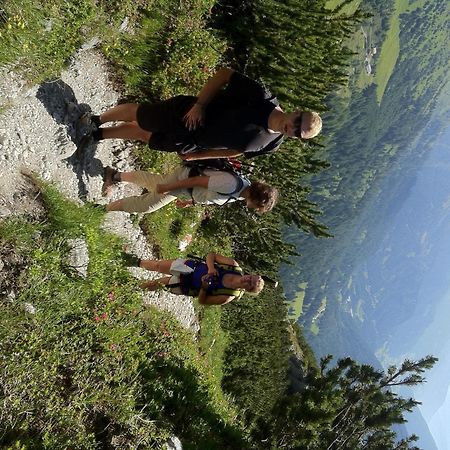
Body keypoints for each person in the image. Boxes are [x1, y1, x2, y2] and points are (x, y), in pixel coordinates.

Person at [84, 68, 322, 160]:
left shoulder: (273, 143)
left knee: (147, 136)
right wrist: (199, 105)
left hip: (191, 141)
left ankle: (99, 135)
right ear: (297, 111)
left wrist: (198, 156)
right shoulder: (261, 97)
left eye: (299, 133)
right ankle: (95, 120)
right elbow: (224, 75)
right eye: (298, 121)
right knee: (142, 115)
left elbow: (238, 150)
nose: (293, 128)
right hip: (187, 113)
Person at [101, 164, 278, 214]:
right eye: (258, 207)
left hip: (186, 189)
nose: (256, 209)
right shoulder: (232, 185)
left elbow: (211, 195)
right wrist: (170, 187)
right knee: (146, 206)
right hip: (183, 180)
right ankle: (105, 209)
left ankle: (115, 176)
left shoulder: (241, 192)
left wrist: (190, 202)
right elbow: (198, 180)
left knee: (153, 182)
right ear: (256, 199)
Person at [136, 252, 264, 305]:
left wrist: (204, 287)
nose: (247, 280)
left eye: (250, 283)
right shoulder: (233, 266)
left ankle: (134, 288)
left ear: (247, 289)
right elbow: (211, 255)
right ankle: (134, 262)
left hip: (186, 286)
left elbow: (203, 301)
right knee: (158, 265)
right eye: (250, 277)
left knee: (157, 284)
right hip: (189, 267)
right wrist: (211, 269)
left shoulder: (227, 296)